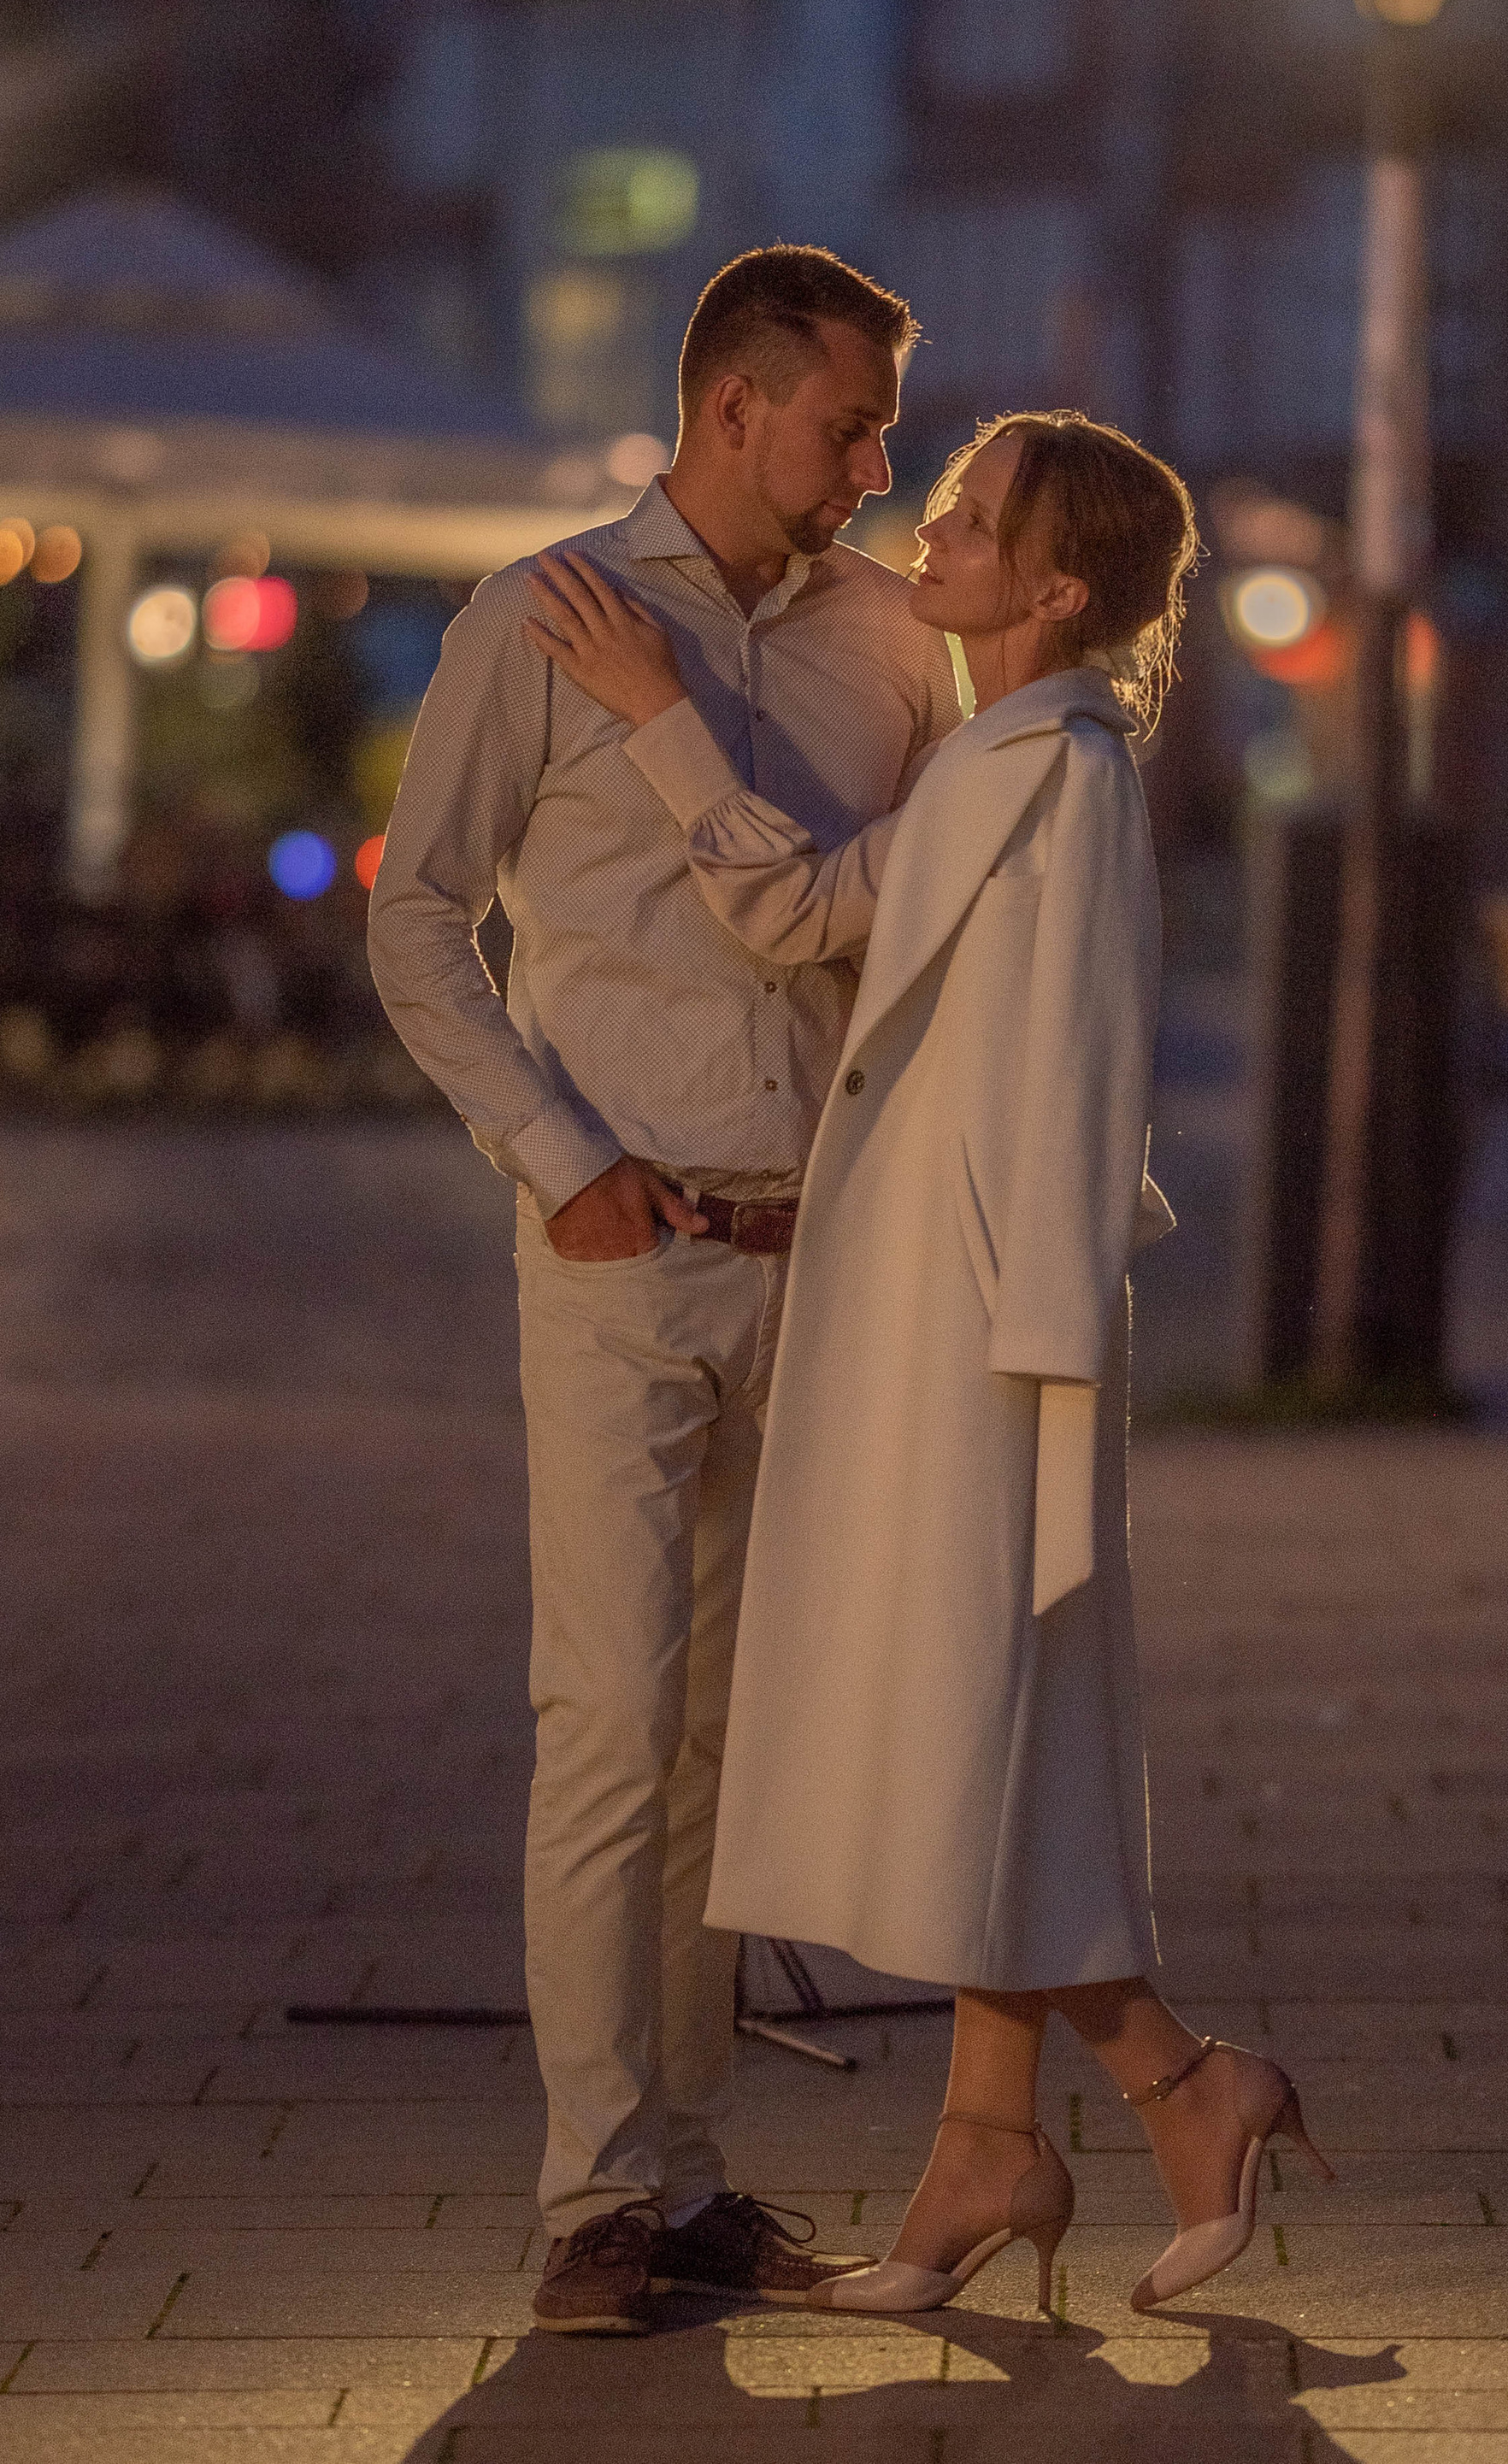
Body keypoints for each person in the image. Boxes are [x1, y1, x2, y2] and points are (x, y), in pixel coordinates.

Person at [523, 410, 1332, 2325]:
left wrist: (653, 706)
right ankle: (990, 2140)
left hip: (973, 1327)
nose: (930, 531)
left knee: (965, 1730)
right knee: (993, 1733)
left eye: (972, 520)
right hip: (971, 1310)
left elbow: (810, 918)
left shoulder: (1027, 764)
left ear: (1057, 588)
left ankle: (1173, 2084)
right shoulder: (1032, 761)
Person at [368, 248, 961, 2334]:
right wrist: (556, 1161)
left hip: (819, 1259)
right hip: (623, 1259)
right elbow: (418, 924)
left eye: (885, 428)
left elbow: (923, 929)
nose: (880, 463)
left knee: (730, 1735)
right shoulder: (535, 622)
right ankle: (587, 2201)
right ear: (731, 407)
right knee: (609, 1720)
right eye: (849, 424)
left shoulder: (893, 636)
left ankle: (686, 2179)